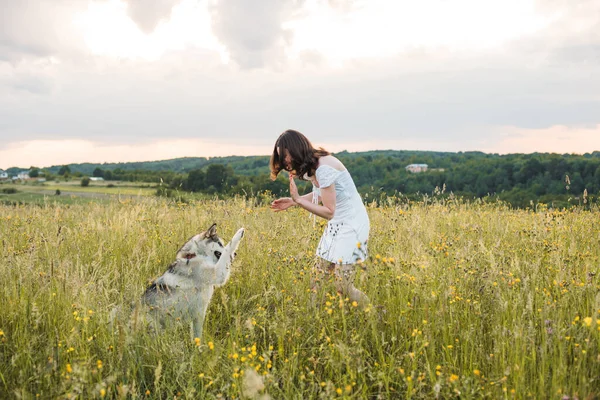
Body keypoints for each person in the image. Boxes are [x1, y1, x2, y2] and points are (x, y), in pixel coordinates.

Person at [269, 129, 370, 306]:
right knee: (316, 279)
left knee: (343, 286)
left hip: (352, 224)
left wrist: (299, 200)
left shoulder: (323, 167)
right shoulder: (311, 167)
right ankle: (313, 319)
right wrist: (293, 202)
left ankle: (375, 315)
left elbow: (329, 211)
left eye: (285, 155)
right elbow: (322, 194)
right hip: (338, 223)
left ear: (295, 148)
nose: (284, 162)